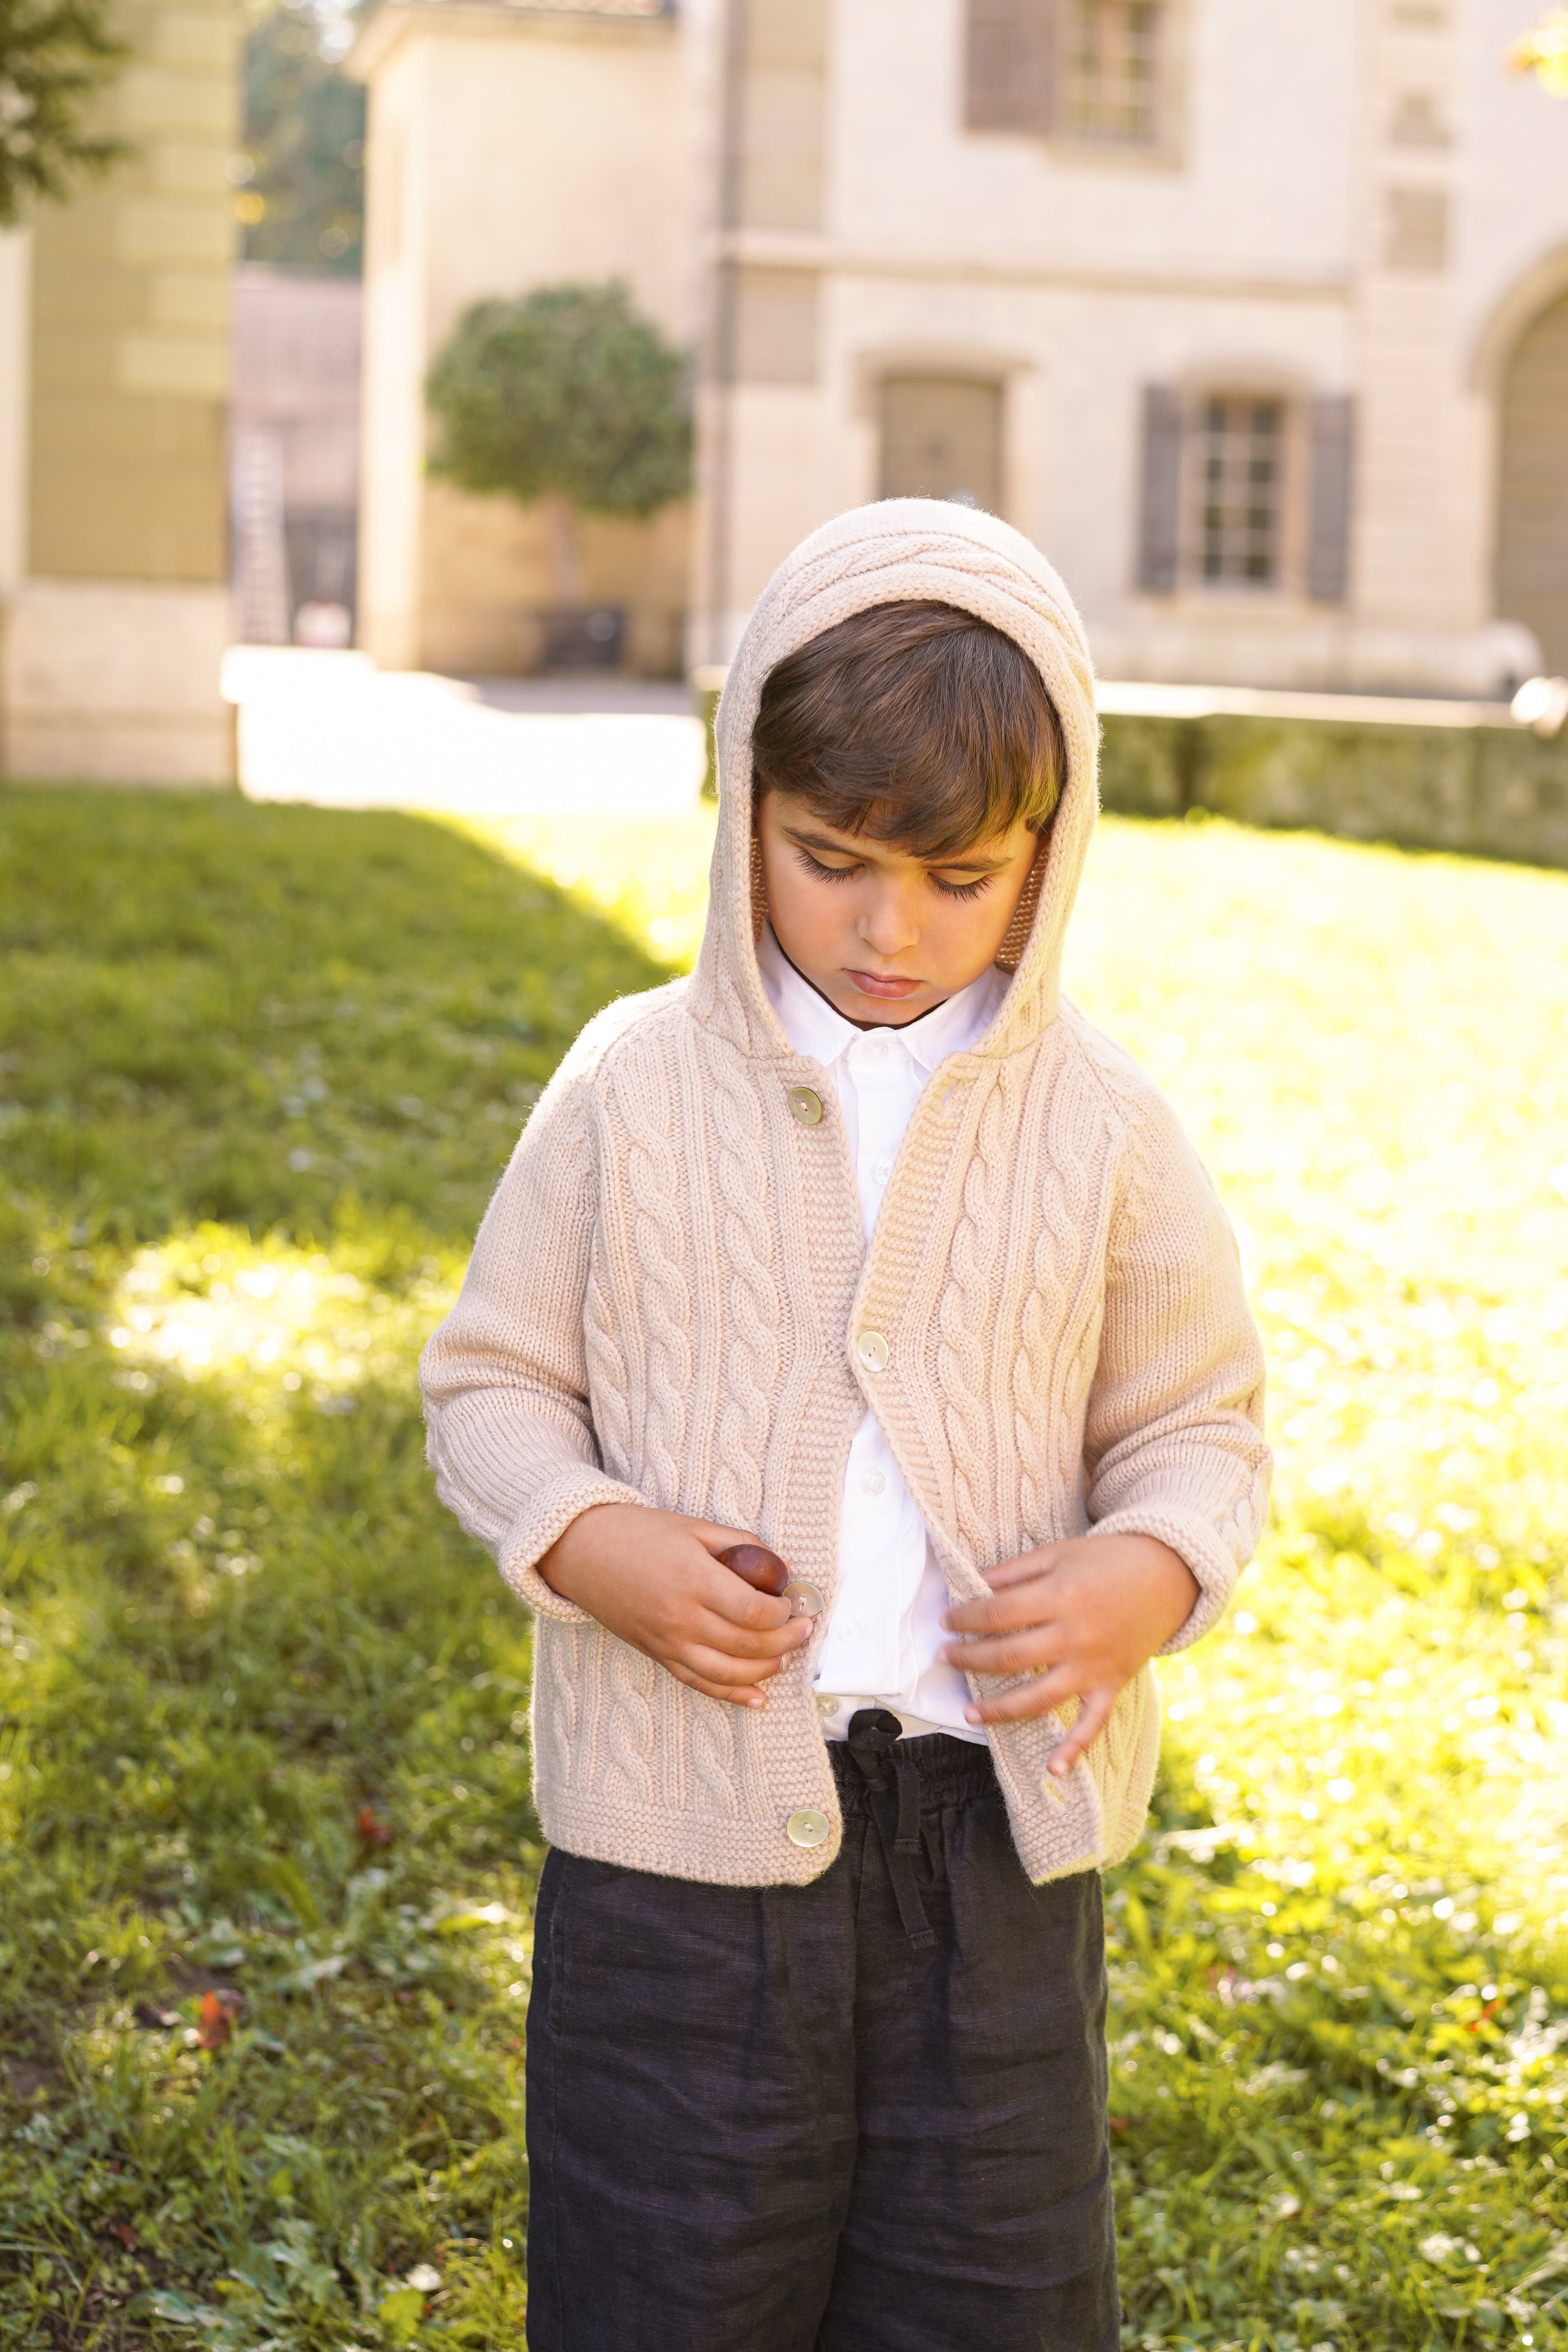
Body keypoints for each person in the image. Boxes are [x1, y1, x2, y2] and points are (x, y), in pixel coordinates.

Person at [420, 500, 1270, 2351]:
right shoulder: (631, 1084)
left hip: (989, 1849)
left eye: (960, 880)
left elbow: (1199, 1422)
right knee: (665, 2276)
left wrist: (1143, 1572)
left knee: (990, 2289)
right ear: (743, 808)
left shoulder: (1100, 1123)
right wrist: (591, 1539)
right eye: (826, 861)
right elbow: (492, 1380)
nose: (888, 931)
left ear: (1051, 851)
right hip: (676, 1859)